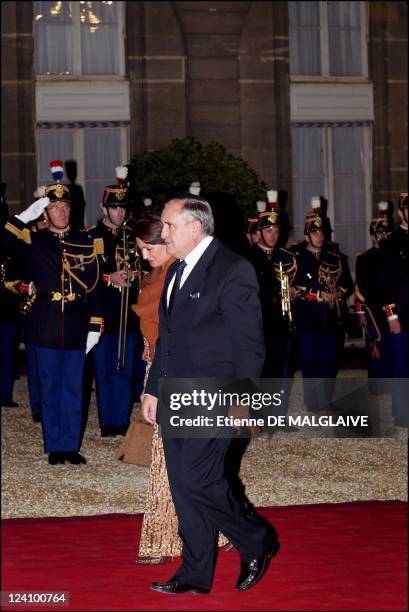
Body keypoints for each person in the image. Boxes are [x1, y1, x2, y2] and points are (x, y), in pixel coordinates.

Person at [141, 196, 278, 595]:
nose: (163, 233)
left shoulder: (232, 269)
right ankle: (195, 573)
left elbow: (250, 345)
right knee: (184, 486)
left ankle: (256, 540)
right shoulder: (176, 271)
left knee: (200, 479)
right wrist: (153, 391)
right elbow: (168, 337)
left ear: (194, 228)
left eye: (168, 226)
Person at [0, 160, 104, 465]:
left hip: (75, 322)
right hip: (43, 322)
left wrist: (95, 325)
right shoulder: (33, 240)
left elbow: (95, 285)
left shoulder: (85, 241)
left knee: (74, 388)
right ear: (45, 212)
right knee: (50, 387)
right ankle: (54, 445)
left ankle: (70, 446)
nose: (62, 212)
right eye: (55, 207)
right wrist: (21, 219)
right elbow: (2, 247)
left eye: (65, 207)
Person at [87, 166, 141, 437]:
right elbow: (86, 274)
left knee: (125, 368)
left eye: (123, 208)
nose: (120, 213)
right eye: (114, 208)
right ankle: (107, 421)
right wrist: (110, 277)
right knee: (103, 369)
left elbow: (145, 269)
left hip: (128, 314)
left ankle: (121, 420)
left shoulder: (132, 237)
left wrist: (134, 275)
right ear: (103, 208)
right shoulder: (91, 237)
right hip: (102, 313)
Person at [291, 198, 352, 411]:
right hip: (308, 318)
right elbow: (295, 286)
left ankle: (325, 401)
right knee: (310, 363)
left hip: (332, 319)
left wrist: (336, 293)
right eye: (315, 233)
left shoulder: (335, 257)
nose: (319, 236)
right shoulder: (297, 257)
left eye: (322, 232)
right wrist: (318, 294)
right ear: (307, 235)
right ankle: (312, 403)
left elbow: (346, 285)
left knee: (330, 363)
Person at [248, 192, 298, 430]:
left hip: (280, 323)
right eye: (268, 231)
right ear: (259, 232)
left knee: (280, 371)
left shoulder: (284, 257)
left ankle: (276, 416)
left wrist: (294, 293)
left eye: (276, 231)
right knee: (260, 370)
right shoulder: (248, 257)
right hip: (257, 324)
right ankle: (258, 417)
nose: (273, 235)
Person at [354, 201, 394, 383]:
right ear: (372, 236)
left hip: (394, 307)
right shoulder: (365, 258)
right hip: (372, 309)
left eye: (385, 233)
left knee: (394, 347)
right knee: (376, 346)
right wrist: (360, 311)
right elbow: (359, 286)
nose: (382, 236)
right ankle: (378, 385)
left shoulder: (395, 255)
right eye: (379, 233)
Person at [378, 192, 408, 427]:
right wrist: (391, 315)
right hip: (402, 315)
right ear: (401, 213)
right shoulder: (390, 243)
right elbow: (385, 284)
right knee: (401, 365)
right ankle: (402, 413)